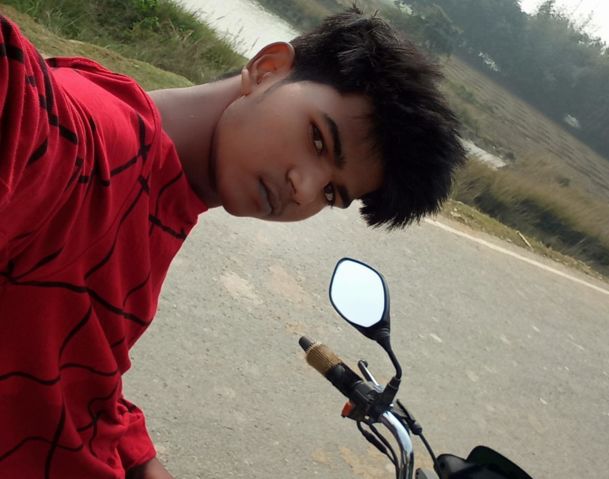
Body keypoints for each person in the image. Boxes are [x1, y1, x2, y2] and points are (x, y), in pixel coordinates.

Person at [0, 6, 465, 479]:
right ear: (267, 70)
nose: (304, 190)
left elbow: (80, 365)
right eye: (318, 140)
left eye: (331, 193)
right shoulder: (73, 135)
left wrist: (141, 460)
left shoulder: (166, 194)